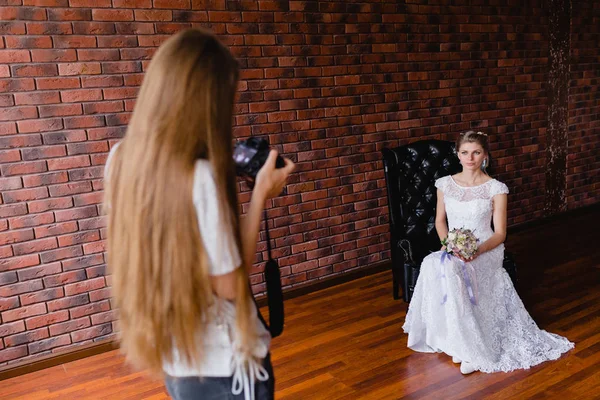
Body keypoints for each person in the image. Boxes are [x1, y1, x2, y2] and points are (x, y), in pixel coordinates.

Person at [103, 29, 295, 400]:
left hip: (178, 362)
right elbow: (231, 287)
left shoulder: (120, 160)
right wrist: (259, 197)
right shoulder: (200, 179)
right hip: (228, 371)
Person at [402, 131, 574, 375]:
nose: (469, 158)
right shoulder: (444, 184)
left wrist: (476, 250)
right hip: (454, 246)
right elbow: (440, 221)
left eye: (476, 152)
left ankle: (474, 351)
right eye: (464, 152)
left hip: (486, 247)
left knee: (454, 268)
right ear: (457, 154)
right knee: (433, 263)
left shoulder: (496, 188)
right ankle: (459, 344)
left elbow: (500, 233)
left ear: (485, 155)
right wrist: (448, 243)